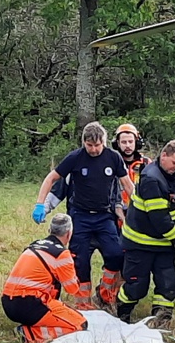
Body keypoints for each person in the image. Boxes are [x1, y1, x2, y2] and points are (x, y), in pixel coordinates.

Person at [32, 121, 134, 310]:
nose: (94, 150)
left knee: (115, 254)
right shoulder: (75, 158)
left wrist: (137, 209)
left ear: (103, 141)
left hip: (105, 216)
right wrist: (40, 204)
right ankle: (83, 303)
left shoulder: (114, 157)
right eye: (89, 145)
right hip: (80, 216)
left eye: (97, 145)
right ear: (84, 143)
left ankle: (105, 293)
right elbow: (51, 178)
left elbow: (127, 184)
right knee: (80, 260)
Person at [117, 140, 175, 327]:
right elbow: (160, 221)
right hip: (140, 243)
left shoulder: (172, 173)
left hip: (163, 244)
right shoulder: (151, 179)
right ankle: (122, 314)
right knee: (136, 287)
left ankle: (161, 322)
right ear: (163, 156)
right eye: (174, 163)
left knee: (169, 285)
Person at [2, 213, 88, 343]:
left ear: (50, 230)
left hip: (8, 302)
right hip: (30, 304)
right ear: (69, 234)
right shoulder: (61, 254)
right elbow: (72, 289)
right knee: (79, 324)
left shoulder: (34, 245)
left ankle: (31, 328)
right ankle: (28, 335)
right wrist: (75, 269)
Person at [113, 123, 147, 223]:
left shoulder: (146, 164)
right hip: (114, 214)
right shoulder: (111, 163)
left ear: (136, 142)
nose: (127, 145)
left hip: (139, 213)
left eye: (130, 141)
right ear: (117, 143)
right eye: (124, 142)